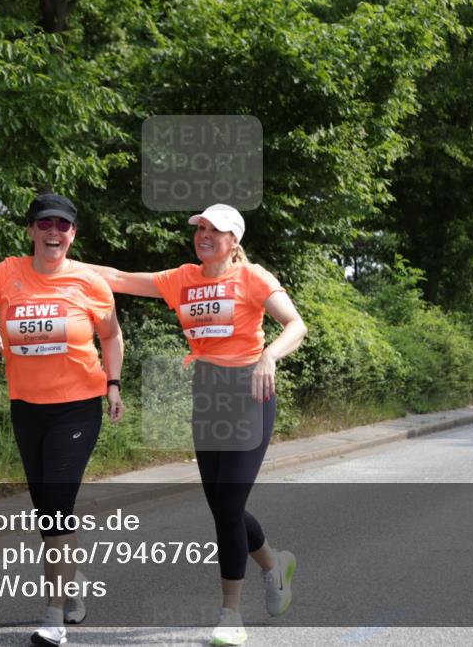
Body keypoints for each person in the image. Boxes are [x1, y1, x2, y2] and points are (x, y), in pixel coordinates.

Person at [85, 204, 307, 646]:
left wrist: (269, 356)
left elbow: (295, 324)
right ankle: (273, 564)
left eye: (215, 230)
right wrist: (62, 260)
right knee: (223, 505)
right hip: (207, 397)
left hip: (249, 395)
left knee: (227, 506)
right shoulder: (181, 278)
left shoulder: (252, 277)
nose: (204, 234)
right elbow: (119, 278)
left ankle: (230, 615)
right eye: (200, 228)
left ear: (234, 241)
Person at [0, 193, 124, 647]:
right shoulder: (8, 273)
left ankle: (53, 617)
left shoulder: (90, 282)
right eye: (45, 225)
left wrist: (113, 384)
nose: (53, 233)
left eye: (63, 226)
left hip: (78, 405)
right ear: (31, 232)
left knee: (58, 506)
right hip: (27, 408)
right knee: (46, 512)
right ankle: (72, 583)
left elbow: (112, 335)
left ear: (73, 234)